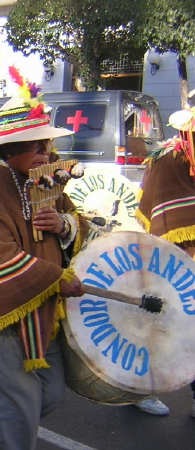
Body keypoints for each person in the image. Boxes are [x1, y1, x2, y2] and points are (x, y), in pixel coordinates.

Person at [0, 72, 86, 450]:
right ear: (10, 148)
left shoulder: (46, 178)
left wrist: (64, 224)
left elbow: (80, 225)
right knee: (17, 425)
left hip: (41, 312)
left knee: (49, 395)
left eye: (46, 143)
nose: (45, 152)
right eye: (35, 145)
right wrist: (56, 278)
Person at [135, 106, 195, 417]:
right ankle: (142, 389)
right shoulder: (172, 158)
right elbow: (167, 214)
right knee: (163, 325)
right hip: (170, 254)